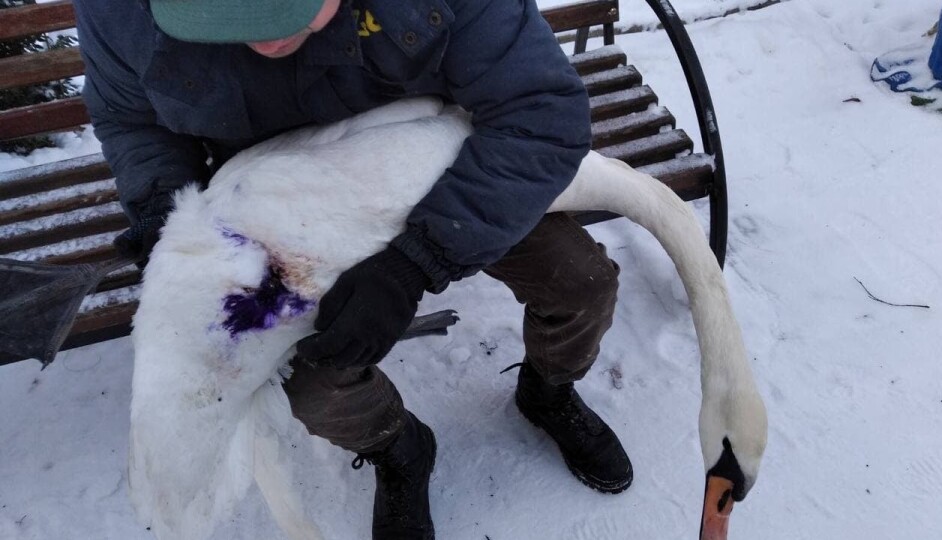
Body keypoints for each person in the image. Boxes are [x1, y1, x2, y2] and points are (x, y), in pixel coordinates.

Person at [74, 0, 632, 537]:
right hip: (288, 210)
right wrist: (162, 209)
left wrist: (421, 258)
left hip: (448, 176)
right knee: (321, 389)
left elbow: (540, 112)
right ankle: (400, 448)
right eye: (225, 14)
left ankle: (548, 390)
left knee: (581, 282)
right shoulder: (121, 9)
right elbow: (129, 117)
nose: (267, 36)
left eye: (285, 6)